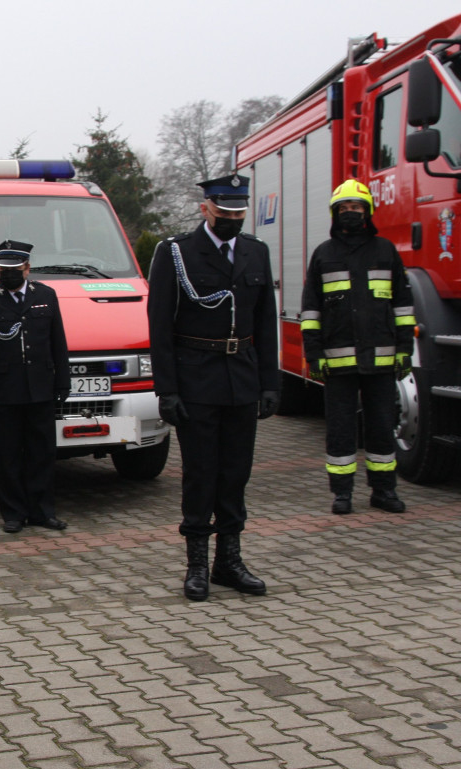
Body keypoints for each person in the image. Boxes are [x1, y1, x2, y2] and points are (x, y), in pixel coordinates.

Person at [147, 174, 279, 602]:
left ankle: (230, 561)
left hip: (241, 379)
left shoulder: (256, 252)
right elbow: (160, 326)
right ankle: (197, 565)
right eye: (224, 213)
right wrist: (166, 389)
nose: (231, 221)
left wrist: (269, 383)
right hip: (196, 380)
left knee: (235, 474)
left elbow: (265, 323)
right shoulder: (177, 253)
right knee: (201, 475)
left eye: (239, 214)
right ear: (205, 208)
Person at [301, 179, 415, 515]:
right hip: (337, 364)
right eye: (345, 209)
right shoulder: (324, 254)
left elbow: (403, 306)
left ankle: (384, 490)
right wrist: (314, 353)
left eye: (357, 208)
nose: (351, 213)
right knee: (340, 429)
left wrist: (405, 349)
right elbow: (311, 310)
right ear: (335, 214)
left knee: (382, 424)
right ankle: (342, 493)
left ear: (368, 211)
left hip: (380, 360)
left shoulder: (385, 251)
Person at [0, 240, 70, 534]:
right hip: (4, 390)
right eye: (3, 270)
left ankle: (42, 511)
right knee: (6, 455)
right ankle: (13, 513)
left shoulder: (46, 295)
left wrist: (62, 381)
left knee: (42, 453)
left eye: (14, 270)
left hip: (40, 387)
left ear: (27, 268)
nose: (8, 275)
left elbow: (57, 343)